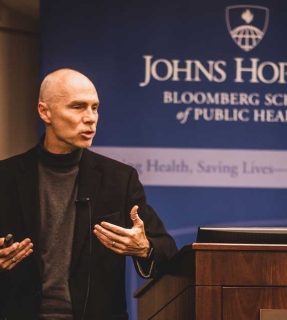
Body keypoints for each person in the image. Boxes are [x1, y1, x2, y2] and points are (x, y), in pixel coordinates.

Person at [0, 69, 178, 320]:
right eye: (78, 107)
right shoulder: (5, 177)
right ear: (44, 112)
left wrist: (144, 248)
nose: (91, 118)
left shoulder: (119, 179)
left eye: (95, 108)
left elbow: (168, 251)